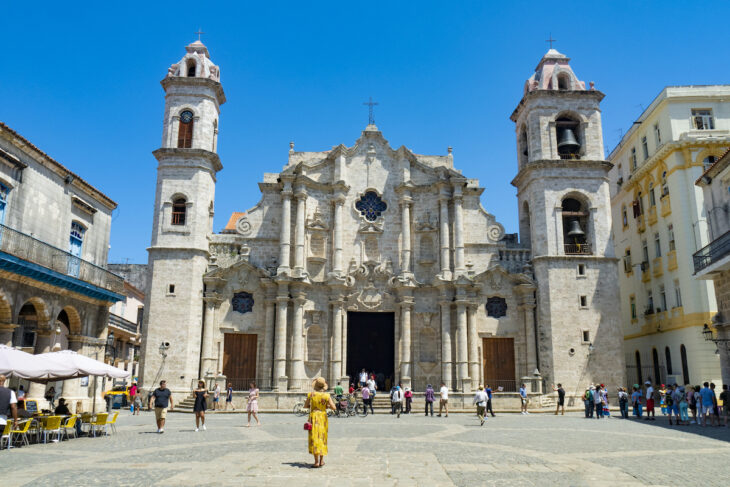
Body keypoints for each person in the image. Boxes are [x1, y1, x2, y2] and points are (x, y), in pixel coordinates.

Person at [303, 377, 336, 468]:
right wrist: (326, 406)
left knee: (314, 438)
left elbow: (306, 406)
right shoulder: (327, 396)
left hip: (313, 417)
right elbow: (334, 407)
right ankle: (322, 461)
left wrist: (312, 405)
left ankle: (316, 462)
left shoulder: (311, 395)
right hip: (323, 417)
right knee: (322, 438)